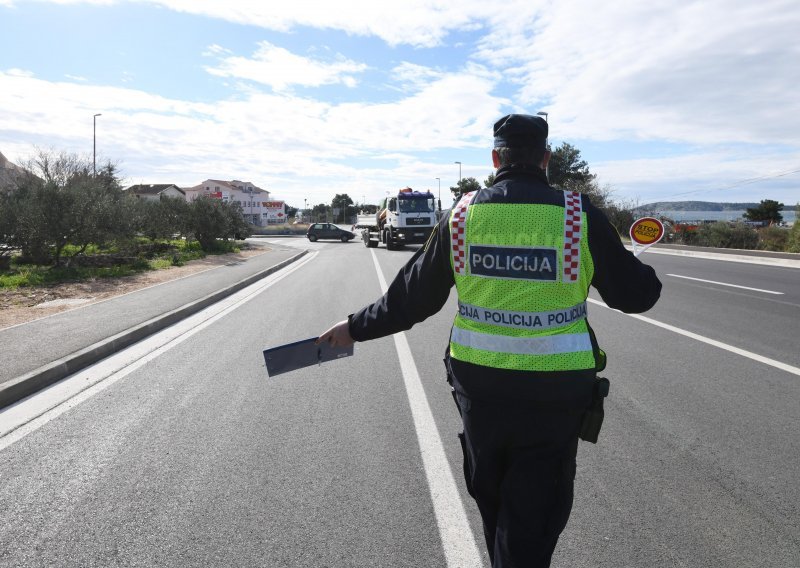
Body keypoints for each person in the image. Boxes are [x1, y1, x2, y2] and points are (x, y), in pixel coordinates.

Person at [318, 113, 662, 567]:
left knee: (495, 504)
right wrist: (641, 269)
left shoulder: (463, 214)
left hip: (480, 395)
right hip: (555, 396)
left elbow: (411, 299)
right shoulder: (577, 215)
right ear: (545, 158)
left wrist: (353, 328)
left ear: (496, 157)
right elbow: (636, 296)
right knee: (532, 524)